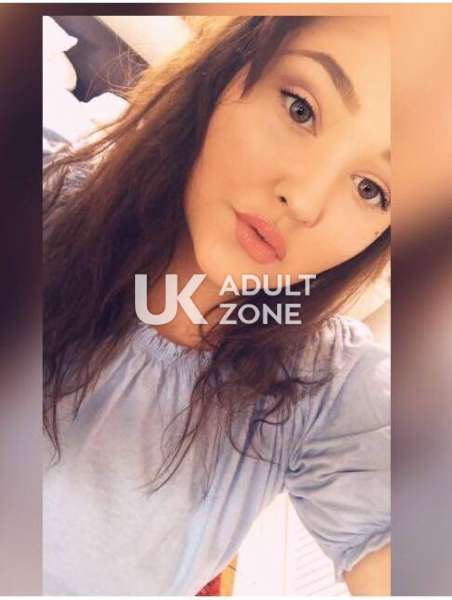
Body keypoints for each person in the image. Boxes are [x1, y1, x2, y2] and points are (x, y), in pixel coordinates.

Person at [43, 16, 390, 595]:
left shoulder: (326, 389)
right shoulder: (44, 196)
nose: (304, 200)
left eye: (371, 189)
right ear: (230, 69)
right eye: (301, 109)